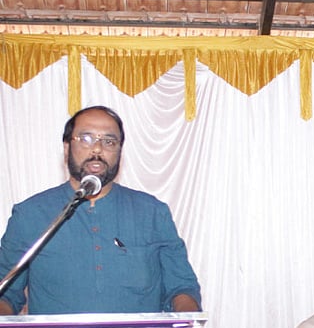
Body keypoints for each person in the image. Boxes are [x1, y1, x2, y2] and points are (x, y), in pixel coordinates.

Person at [0, 105, 201, 315]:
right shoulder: (30, 214)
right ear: (67, 147)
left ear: (119, 152)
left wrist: (190, 324)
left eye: (109, 141)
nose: (97, 149)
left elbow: (181, 288)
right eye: (86, 139)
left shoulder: (152, 213)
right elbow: (6, 295)